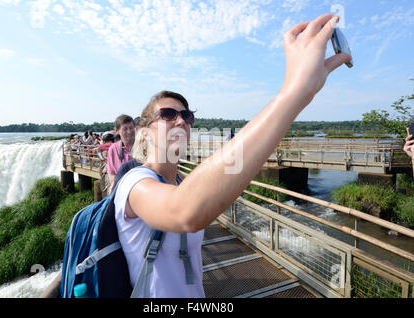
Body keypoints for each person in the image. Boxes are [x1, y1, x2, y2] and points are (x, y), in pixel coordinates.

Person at [112, 14, 351, 298]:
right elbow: (185, 211)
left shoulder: (180, 180)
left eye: (187, 115)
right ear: (145, 133)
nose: (181, 121)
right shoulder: (134, 183)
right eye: (167, 114)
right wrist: (296, 92)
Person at [107, 114, 136, 193]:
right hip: (121, 189)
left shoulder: (144, 145)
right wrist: (113, 185)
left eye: (131, 128)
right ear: (117, 131)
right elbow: (112, 175)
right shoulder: (113, 149)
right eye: (125, 129)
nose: (129, 132)